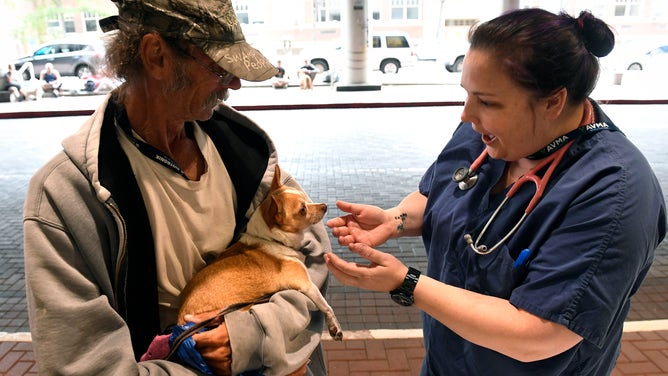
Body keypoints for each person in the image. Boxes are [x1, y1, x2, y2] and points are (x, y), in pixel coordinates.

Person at [325, 8, 666, 376]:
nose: (466, 115)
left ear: (553, 101)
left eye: (486, 101)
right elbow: (440, 193)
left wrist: (407, 283)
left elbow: (539, 334)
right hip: (447, 362)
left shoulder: (615, 192)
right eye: (468, 94)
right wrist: (394, 219)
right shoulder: (487, 135)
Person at [23, 0, 331, 375]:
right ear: (156, 56)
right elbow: (83, 364)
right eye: (219, 68)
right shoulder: (65, 198)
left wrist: (252, 337)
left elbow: (314, 256)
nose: (234, 83)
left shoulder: (244, 153)